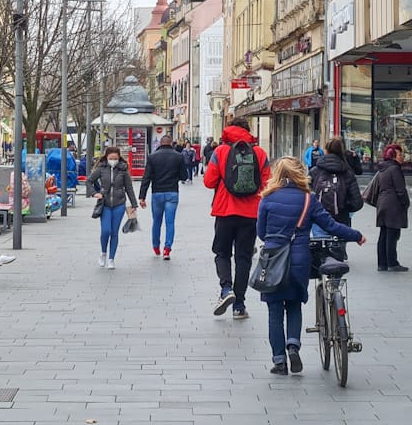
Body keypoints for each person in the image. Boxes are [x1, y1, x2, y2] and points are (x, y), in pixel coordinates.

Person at [257, 157, 366, 375]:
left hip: (273, 260)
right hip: (299, 260)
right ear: (300, 173)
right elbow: (331, 225)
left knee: (275, 311)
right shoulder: (308, 200)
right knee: (294, 305)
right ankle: (293, 345)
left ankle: (279, 362)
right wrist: (356, 235)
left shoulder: (267, 199)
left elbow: (261, 232)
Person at [203, 118, 271, 319]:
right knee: (243, 257)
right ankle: (239, 305)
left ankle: (226, 289)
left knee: (222, 253)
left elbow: (208, 182)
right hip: (250, 213)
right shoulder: (259, 153)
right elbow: (267, 184)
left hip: (224, 211)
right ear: (248, 132)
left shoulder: (221, 151)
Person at [308, 137, 364, 259]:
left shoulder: (314, 171)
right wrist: (343, 206)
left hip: (318, 219)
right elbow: (357, 202)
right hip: (341, 221)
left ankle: (323, 273)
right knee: (337, 258)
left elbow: (306, 196)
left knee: (321, 255)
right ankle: (335, 275)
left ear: (326, 151)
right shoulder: (348, 173)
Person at [87, 146, 138, 270]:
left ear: (119, 158)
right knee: (106, 231)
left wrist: (134, 204)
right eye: (111, 158)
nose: (113, 160)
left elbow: (129, 188)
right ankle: (103, 253)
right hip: (105, 204)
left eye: (115, 158)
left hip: (119, 203)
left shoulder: (123, 170)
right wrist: (95, 193)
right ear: (106, 157)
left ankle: (111, 259)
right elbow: (88, 181)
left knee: (114, 232)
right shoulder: (101, 169)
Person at [138, 135, 188, 260]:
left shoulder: (152, 157)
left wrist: (142, 196)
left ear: (160, 143)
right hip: (172, 192)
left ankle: (156, 246)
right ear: (171, 143)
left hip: (157, 193)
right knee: (170, 222)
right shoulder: (178, 156)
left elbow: (146, 178)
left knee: (157, 222)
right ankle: (167, 249)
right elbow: (184, 176)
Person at [375, 143, 410, 272]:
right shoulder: (395, 169)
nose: (402, 157)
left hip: (383, 203)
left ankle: (382, 263)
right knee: (392, 234)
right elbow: (400, 190)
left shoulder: (382, 169)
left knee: (384, 233)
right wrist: (406, 203)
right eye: (400, 154)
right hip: (393, 204)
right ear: (393, 156)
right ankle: (392, 262)